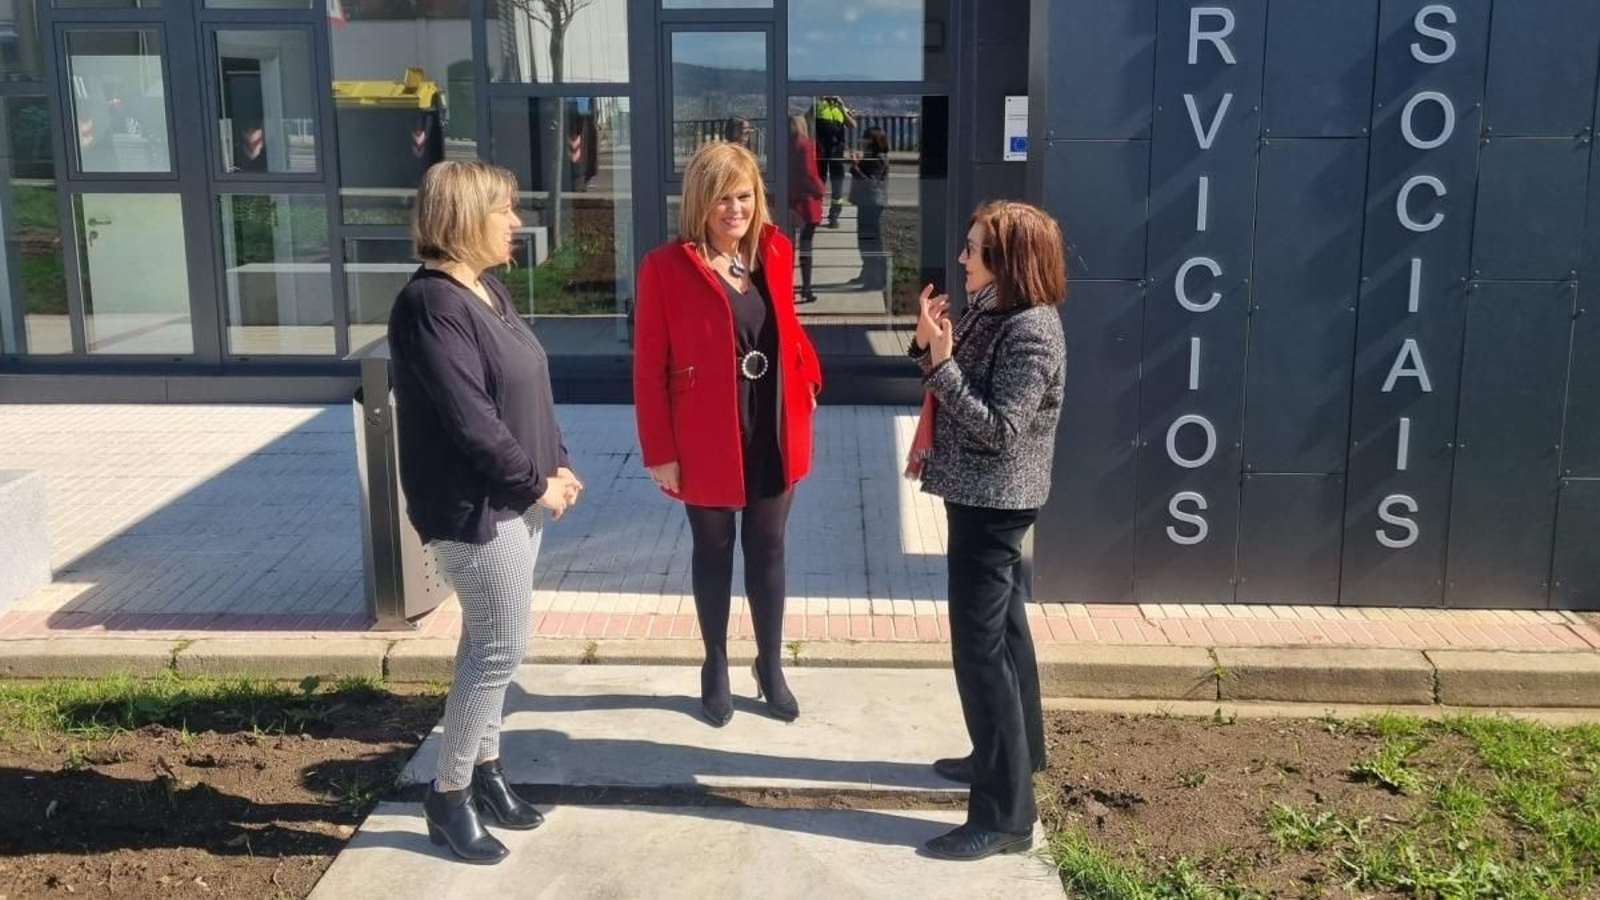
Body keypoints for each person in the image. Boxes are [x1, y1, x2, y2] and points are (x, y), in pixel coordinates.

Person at [387, 160, 583, 864]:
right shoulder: (430, 306)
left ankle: (487, 770)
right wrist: (536, 485)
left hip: (516, 498)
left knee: (485, 643)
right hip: (475, 508)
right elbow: (471, 420)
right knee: (500, 650)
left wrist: (557, 461)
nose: (517, 222)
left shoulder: (487, 289)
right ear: (466, 215)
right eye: (505, 210)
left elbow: (530, 382)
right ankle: (448, 795)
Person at [633, 141, 823, 727]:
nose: (735, 210)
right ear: (700, 202)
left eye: (744, 197)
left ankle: (770, 664)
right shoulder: (665, 266)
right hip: (705, 428)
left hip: (772, 421)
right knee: (713, 549)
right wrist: (660, 451)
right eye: (722, 199)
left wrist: (810, 376)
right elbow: (649, 366)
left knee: (768, 546)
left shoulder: (774, 249)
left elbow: (787, 325)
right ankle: (715, 663)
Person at [905, 200, 1068, 861]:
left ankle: (1005, 817)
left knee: (980, 653)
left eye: (973, 249)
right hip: (978, 497)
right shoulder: (992, 307)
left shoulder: (1032, 330)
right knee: (1004, 634)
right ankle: (1018, 757)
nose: (963, 258)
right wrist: (928, 343)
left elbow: (1001, 428)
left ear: (1007, 260)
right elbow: (951, 376)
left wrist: (943, 364)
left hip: (995, 504)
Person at [787, 113, 825, 304]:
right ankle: (806, 288)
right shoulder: (806, 145)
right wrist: (820, 189)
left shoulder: (785, 145)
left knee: (788, 248)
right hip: (807, 202)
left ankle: (787, 287)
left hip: (790, 201)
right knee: (806, 246)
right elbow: (810, 173)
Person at [848, 126, 890, 291]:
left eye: (865, 139)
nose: (862, 141)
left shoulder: (878, 159)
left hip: (872, 204)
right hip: (866, 202)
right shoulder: (871, 157)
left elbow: (870, 183)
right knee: (864, 240)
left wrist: (855, 167)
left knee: (871, 242)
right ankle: (867, 273)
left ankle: (875, 278)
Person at [811, 95, 855, 228]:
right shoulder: (818, 106)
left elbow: (852, 125)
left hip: (837, 151)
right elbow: (806, 121)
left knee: (837, 184)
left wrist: (842, 108)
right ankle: (816, 214)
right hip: (821, 151)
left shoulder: (841, 108)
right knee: (819, 184)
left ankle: (834, 216)